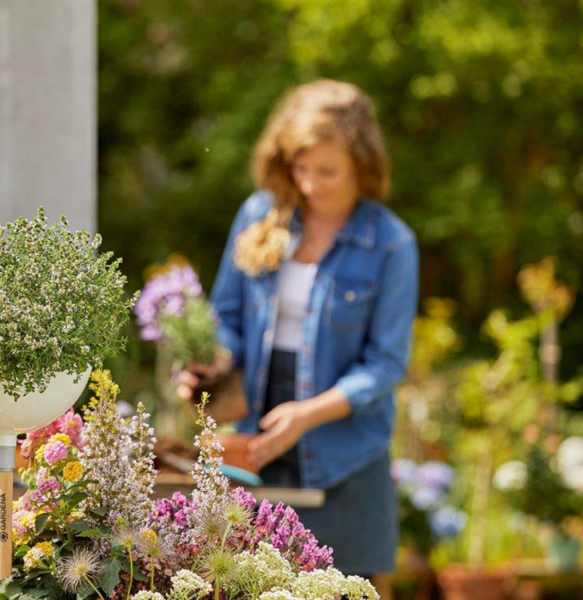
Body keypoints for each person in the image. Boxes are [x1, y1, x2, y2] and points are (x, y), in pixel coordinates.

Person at [177, 79, 418, 599]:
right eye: (299, 168)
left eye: (326, 171)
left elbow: (386, 365)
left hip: (345, 454)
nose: (309, 184)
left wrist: (306, 415)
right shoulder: (260, 215)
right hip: (258, 441)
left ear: (362, 163)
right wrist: (212, 360)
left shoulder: (392, 244)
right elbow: (228, 317)